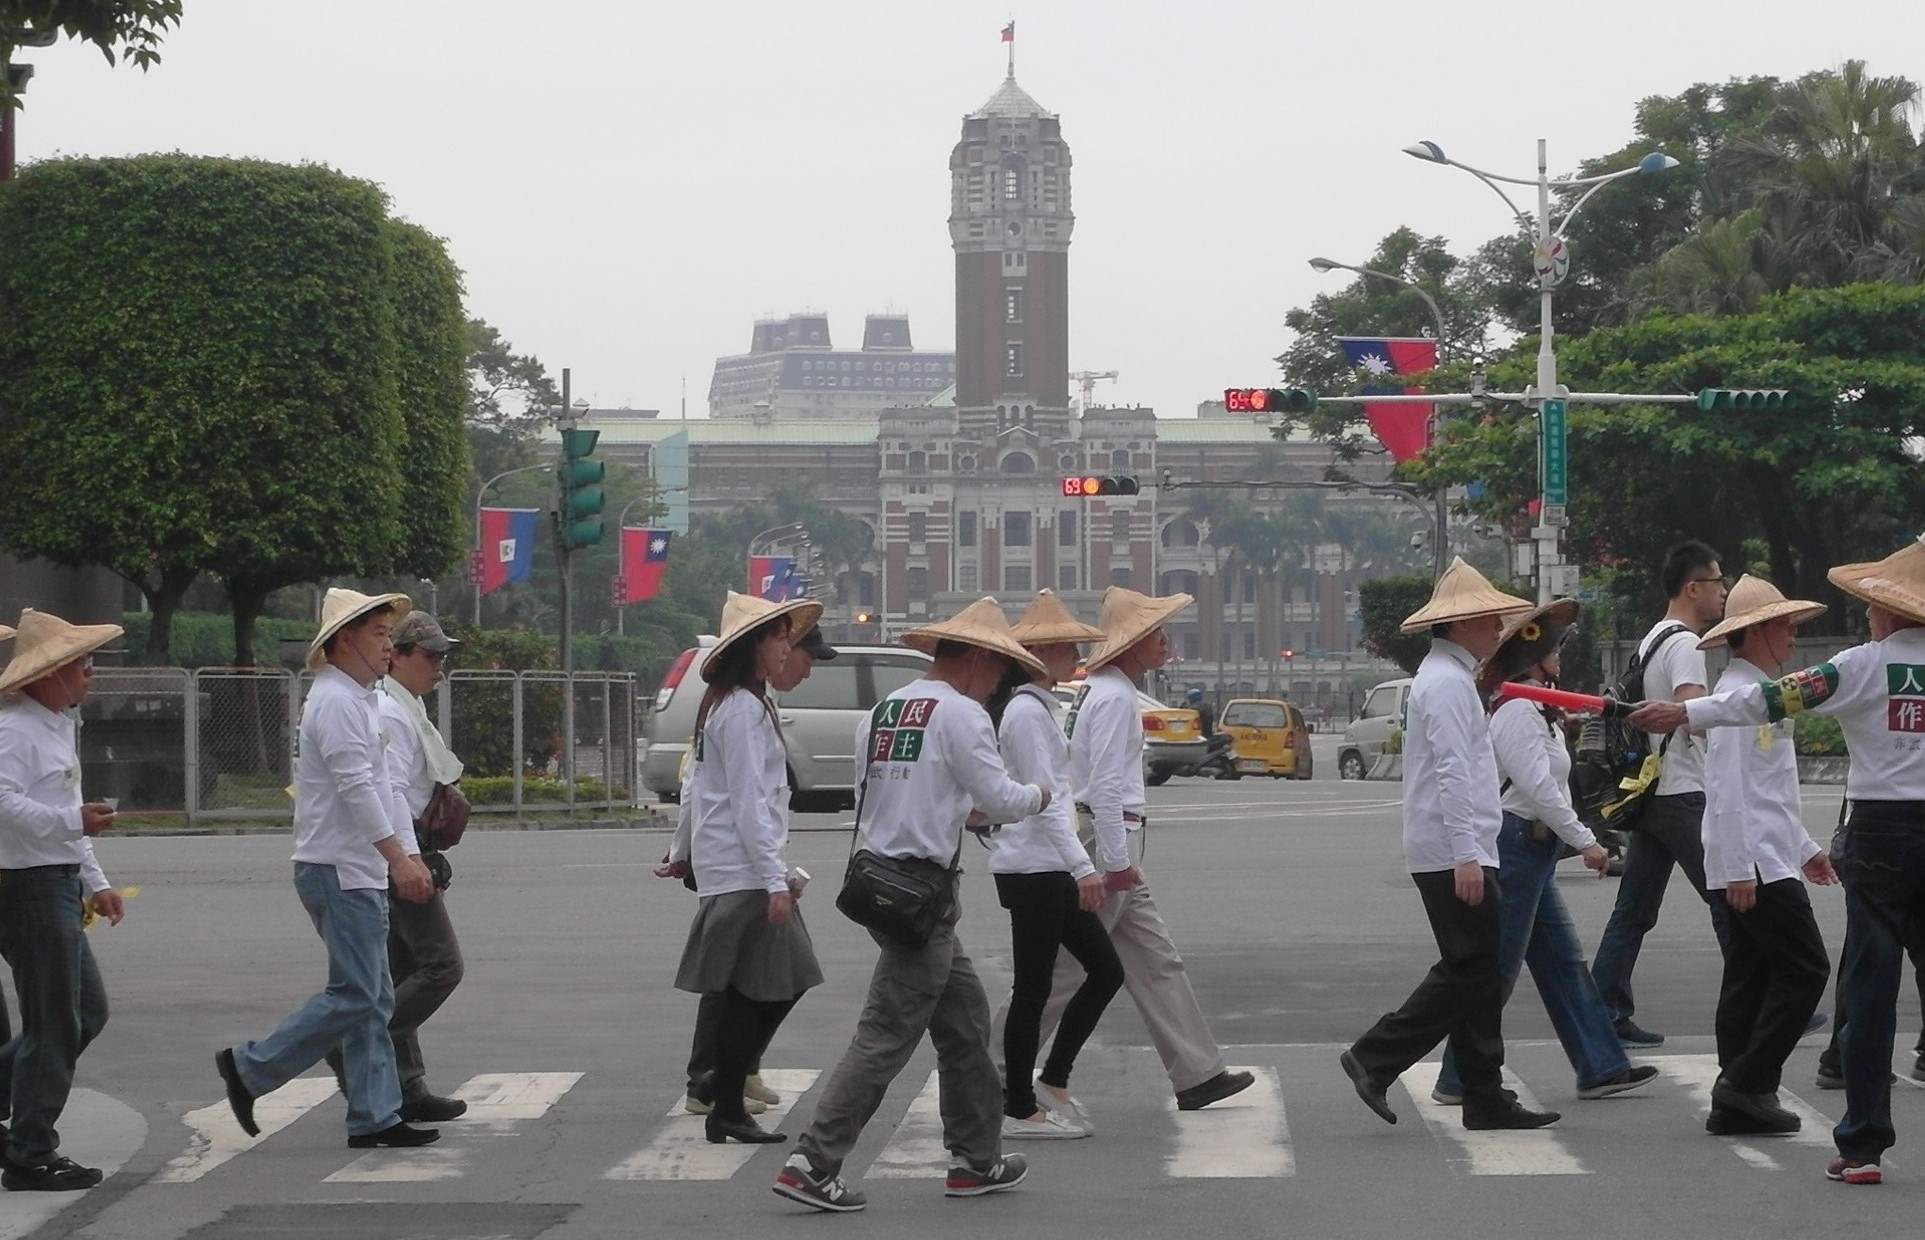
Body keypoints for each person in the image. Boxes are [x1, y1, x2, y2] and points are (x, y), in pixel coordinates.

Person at [1632, 534, 1925, 1186]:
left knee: (1869, 989)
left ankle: (1861, 1146)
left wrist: (1684, 710)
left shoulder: (1857, 665)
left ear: (1886, 610)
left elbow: (1766, 700)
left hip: (1879, 833)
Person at [775, 597, 1050, 1213]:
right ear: (979, 658)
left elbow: (890, 795)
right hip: (922, 893)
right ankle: (813, 1162)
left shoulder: (882, 710)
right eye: (999, 672)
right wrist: (1039, 793)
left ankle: (977, 1159)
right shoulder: (962, 715)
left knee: (966, 1021)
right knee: (887, 1033)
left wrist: (959, 809)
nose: (997, 686)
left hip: (881, 882)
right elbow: (1001, 798)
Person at [217, 589, 440, 1150]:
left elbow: (385, 789)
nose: (389, 645)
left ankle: (375, 1115)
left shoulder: (360, 698)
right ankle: (250, 1069)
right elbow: (357, 789)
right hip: (337, 867)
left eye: (389, 635)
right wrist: (399, 858)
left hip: (355, 866)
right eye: (379, 635)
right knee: (358, 994)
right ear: (346, 640)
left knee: (371, 997)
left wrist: (406, 856)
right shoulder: (337, 700)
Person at [1339, 559, 1558, 1131]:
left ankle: (1483, 1091)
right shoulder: (1447, 682)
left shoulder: (1445, 677)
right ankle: (1376, 1055)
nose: (1497, 628)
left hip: (1457, 842)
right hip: (1451, 847)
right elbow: (1455, 772)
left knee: (1479, 972)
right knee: (1470, 968)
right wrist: (1466, 852)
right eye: (1488, 619)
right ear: (1459, 625)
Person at [1025, 585, 1254, 1112]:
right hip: (1109, 837)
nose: (1167, 644)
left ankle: (1197, 1071)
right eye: (1157, 634)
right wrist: (1117, 862)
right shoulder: (1114, 696)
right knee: (1067, 969)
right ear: (1132, 643)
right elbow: (1104, 785)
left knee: (1156, 961)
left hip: (1116, 836)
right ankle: (993, 1064)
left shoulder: (1104, 690)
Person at [1431, 599, 1659, 1107]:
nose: (1560, 656)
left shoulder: (1539, 709)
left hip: (1533, 852)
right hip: (1516, 846)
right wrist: (1586, 841)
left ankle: (1601, 1066)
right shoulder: (1516, 711)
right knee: (1498, 969)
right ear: (1535, 660)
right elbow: (1538, 788)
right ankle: (1457, 1076)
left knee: (1563, 964)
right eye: (1555, 649)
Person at [666, 623, 839, 1120]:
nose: (789, 650)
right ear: (755, 646)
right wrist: (772, 878)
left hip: (744, 864)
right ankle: (719, 1086)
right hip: (743, 870)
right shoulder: (740, 708)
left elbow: (704, 785)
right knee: (751, 987)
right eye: (781, 640)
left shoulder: (747, 702)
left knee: (764, 982)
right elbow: (745, 799)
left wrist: (683, 847)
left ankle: (726, 1082)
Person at [1688, 576, 1838, 1136]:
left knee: (1750, 977)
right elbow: (1725, 790)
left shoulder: (1759, 695)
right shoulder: (1736, 699)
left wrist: (1804, 849)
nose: (1793, 641)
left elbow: (1771, 793)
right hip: (1753, 863)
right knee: (1806, 969)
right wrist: (1737, 869)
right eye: (1785, 628)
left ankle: (1738, 1097)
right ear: (1758, 634)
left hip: (1767, 855)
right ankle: (1746, 1082)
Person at [989, 592, 1123, 1139]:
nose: (1074, 654)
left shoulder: (1042, 708)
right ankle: (1019, 1105)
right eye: (1066, 646)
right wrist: (1082, 868)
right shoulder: (1026, 714)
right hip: (1033, 866)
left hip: (1045, 863)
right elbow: (1045, 801)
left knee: (1103, 971)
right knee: (1034, 988)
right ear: (1040, 654)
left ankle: (1052, 1077)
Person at [0, 611, 125, 1191]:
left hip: (54, 879)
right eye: (80, 663)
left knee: (85, 1013)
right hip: (25, 885)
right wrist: (69, 821)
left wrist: (94, 879)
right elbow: (3, 802)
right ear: (47, 675)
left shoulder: (56, 723)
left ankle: (23, 1116)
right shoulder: (15, 730)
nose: (89, 673)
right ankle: (30, 1151)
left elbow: (70, 819)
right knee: (54, 1021)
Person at [1592, 540, 1735, 1047]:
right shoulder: (1686, 646)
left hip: (1652, 792)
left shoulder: (1654, 637)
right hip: (1680, 792)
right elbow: (1693, 717)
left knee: (1633, 910)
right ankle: (1765, 998)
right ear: (1694, 587)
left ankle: (1604, 1011)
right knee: (1730, 894)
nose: (1725, 592)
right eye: (1719, 582)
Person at [332, 610, 470, 1124]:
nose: (440, 666)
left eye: (444, 656)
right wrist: (411, 860)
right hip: (397, 854)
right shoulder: (391, 711)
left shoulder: (405, 707)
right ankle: (355, 1045)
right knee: (442, 966)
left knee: (400, 970)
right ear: (399, 656)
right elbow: (387, 791)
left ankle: (407, 1085)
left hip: (403, 850)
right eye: (432, 655)